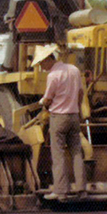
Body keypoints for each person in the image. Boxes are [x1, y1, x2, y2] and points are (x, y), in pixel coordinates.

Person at [35, 44, 86, 198]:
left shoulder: (53, 75)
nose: (42, 67)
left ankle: (61, 191)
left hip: (59, 117)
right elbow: (81, 93)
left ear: (48, 59)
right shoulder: (74, 70)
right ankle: (81, 189)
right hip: (74, 116)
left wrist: (42, 103)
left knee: (58, 154)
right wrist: (77, 109)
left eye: (41, 63)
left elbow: (49, 98)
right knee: (77, 152)